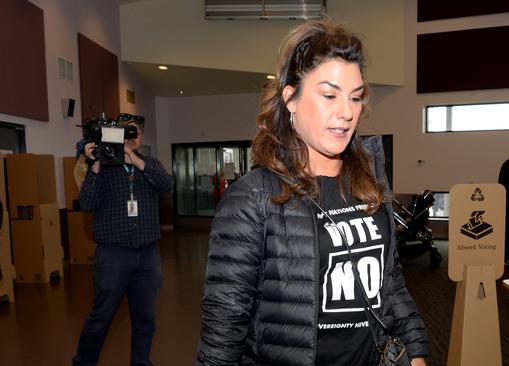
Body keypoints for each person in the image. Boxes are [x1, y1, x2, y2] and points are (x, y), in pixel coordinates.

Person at [196, 20, 429, 365]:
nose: (347, 112)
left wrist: (417, 353)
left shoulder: (368, 183)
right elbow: (224, 330)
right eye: (329, 95)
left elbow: (391, 285)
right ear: (291, 98)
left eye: (355, 97)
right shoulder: (253, 198)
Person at [73, 113, 174, 366]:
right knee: (102, 317)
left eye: (136, 133)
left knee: (145, 318)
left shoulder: (149, 164)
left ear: (141, 138)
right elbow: (86, 204)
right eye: (126, 132)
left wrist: (136, 161)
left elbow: (167, 185)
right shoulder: (103, 167)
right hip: (112, 256)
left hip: (148, 255)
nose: (131, 138)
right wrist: (95, 164)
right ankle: (83, 363)